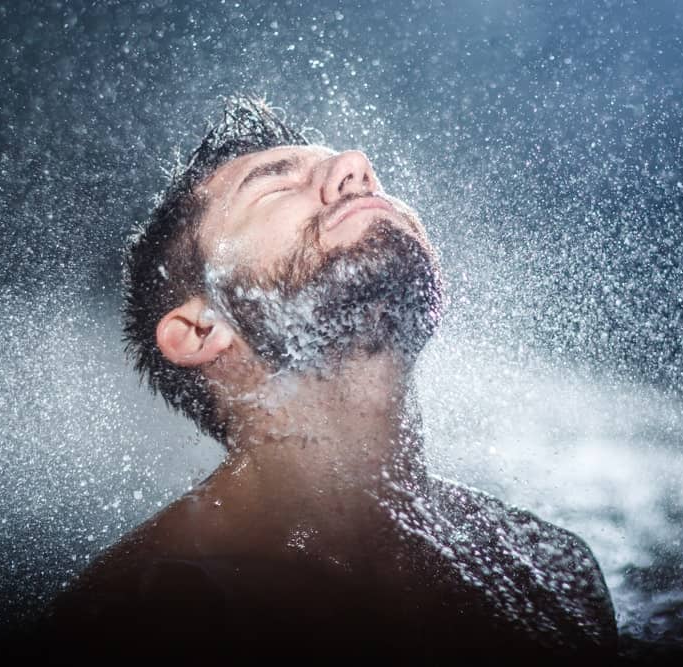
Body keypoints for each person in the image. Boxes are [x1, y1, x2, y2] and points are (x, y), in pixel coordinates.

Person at [46, 96, 617, 660]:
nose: (356, 167)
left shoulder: (553, 568)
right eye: (274, 185)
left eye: (356, 169)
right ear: (201, 330)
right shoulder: (140, 621)